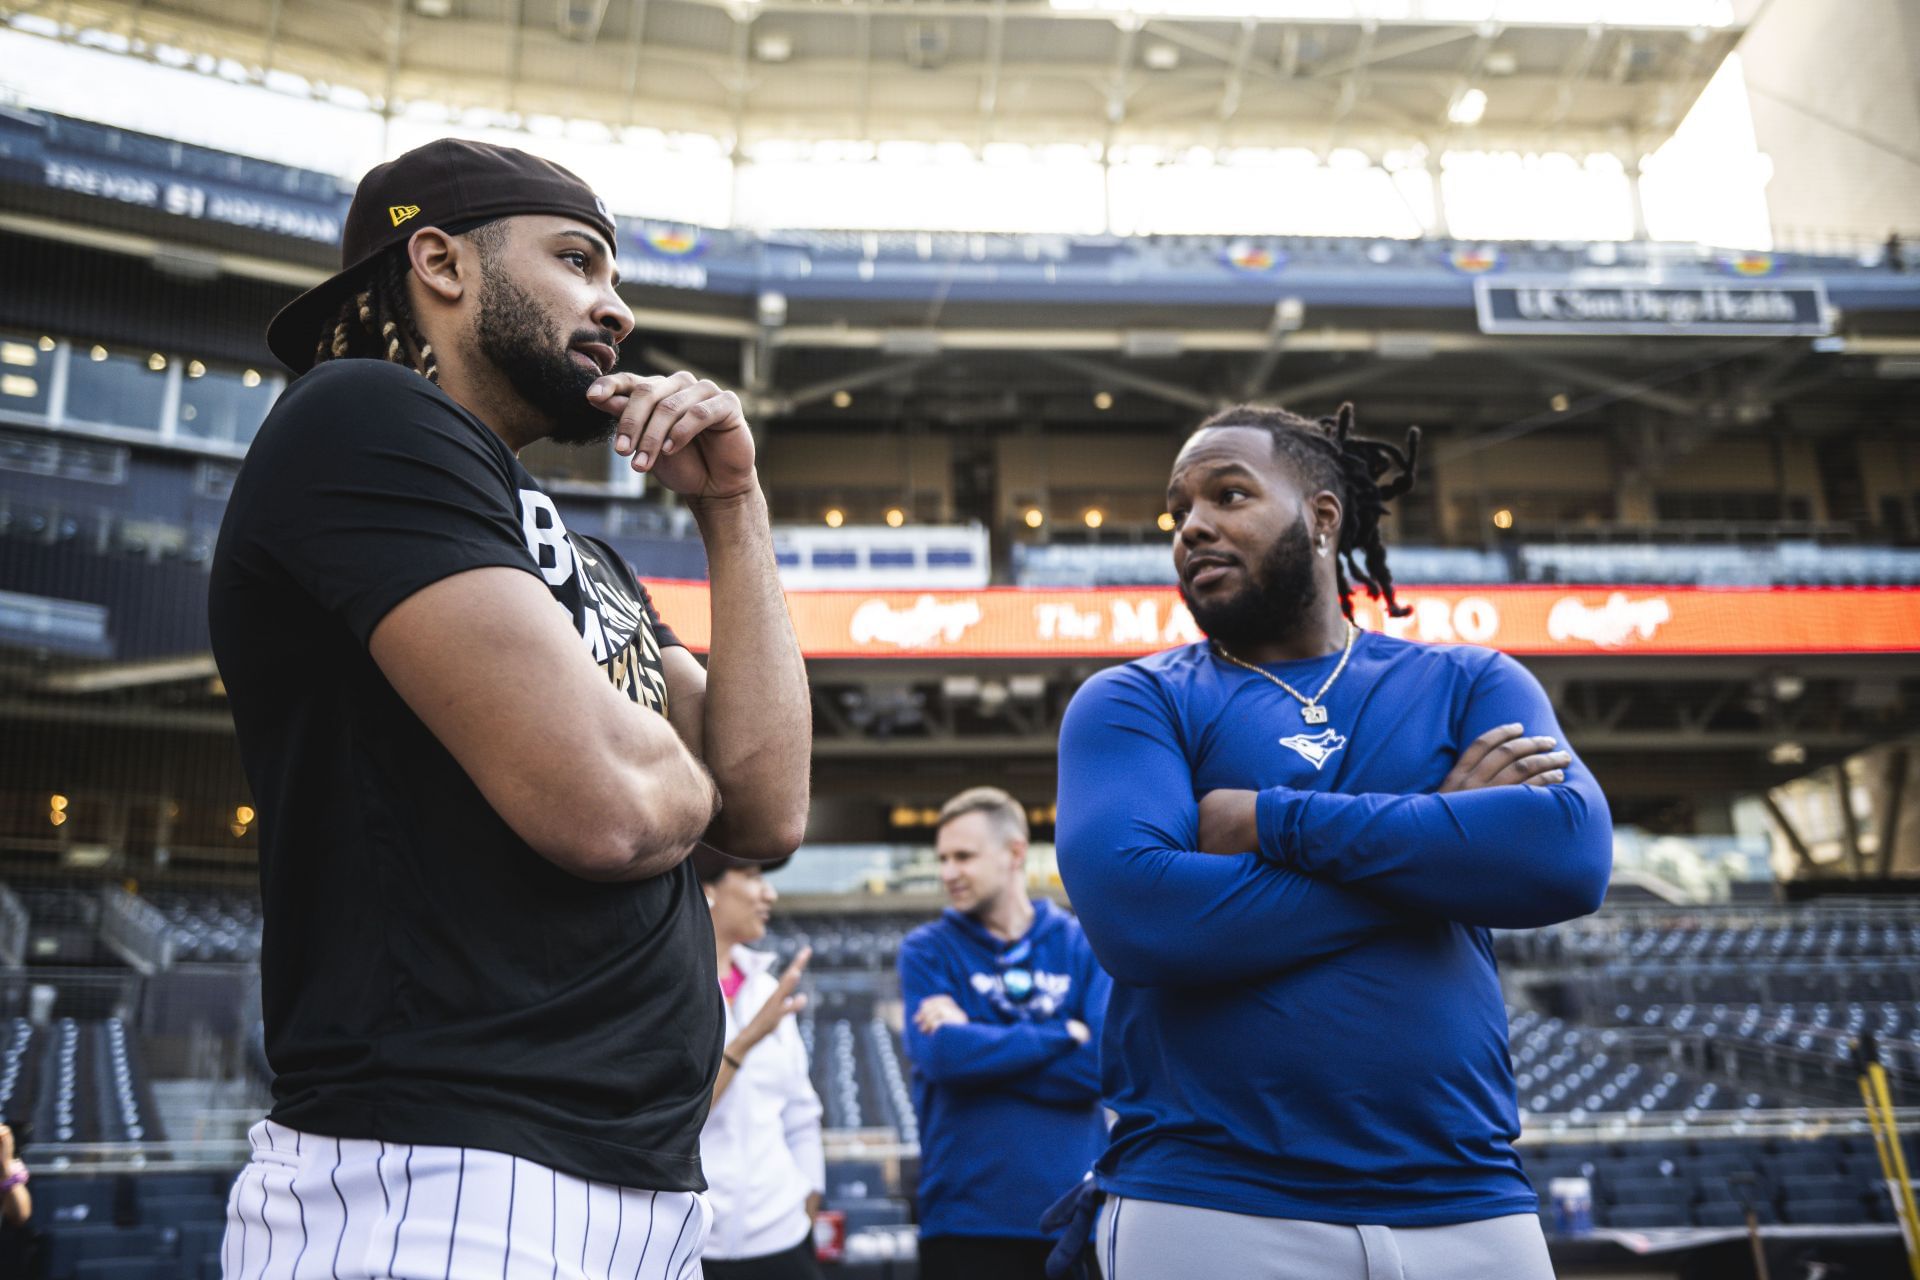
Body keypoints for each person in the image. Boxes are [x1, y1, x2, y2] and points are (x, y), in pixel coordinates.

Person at [208, 139, 810, 1280]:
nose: (616, 308)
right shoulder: (358, 415)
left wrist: (735, 505)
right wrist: (668, 762)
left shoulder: (587, 559)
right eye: (578, 262)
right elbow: (615, 810)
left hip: (640, 1188)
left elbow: (769, 808)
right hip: (441, 1177)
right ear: (441, 261)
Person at [1055, 402, 1612, 1280]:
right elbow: (1145, 921)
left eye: (1229, 495)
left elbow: (1568, 858)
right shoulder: (1135, 699)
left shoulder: (1471, 680)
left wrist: (1271, 821)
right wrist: (1440, 839)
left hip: (1470, 1200)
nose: (1192, 526)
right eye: (1178, 511)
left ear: (1322, 517)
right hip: (1212, 1202)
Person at [898, 787, 1111, 1280]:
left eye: (964, 857)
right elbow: (943, 1057)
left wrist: (979, 1042)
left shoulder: (1082, 944)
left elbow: (1103, 1067)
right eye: (943, 858)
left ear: (1015, 853)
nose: (948, 872)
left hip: (1073, 1221)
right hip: (964, 1224)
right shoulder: (927, 950)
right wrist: (1061, 1034)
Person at [694, 846, 825, 1280]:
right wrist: (748, 1038)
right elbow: (676, 1117)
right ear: (708, 888)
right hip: (694, 1243)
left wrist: (808, 1201)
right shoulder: (663, 990)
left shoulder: (767, 988)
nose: (769, 894)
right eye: (752, 877)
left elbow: (801, 1114)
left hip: (784, 1239)